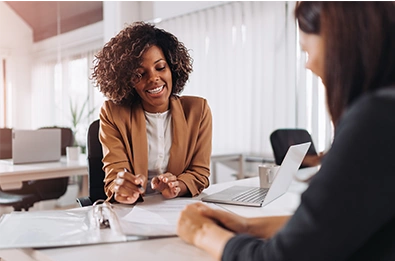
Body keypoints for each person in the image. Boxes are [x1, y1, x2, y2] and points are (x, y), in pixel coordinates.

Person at [177, 2, 395, 260]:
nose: (308, 64)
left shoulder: (376, 118)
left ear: (341, 44)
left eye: (306, 50)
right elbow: (333, 226)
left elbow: (283, 257)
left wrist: (202, 233)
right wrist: (247, 226)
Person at [91, 22, 212, 204]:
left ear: (172, 68)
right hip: (132, 212)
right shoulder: (113, 113)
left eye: (160, 67)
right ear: (127, 81)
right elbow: (114, 175)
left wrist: (177, 187)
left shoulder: (198, 110)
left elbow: (199, 173)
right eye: (139, 74)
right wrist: (122, 187)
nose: (153, 78)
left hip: (177, 209)